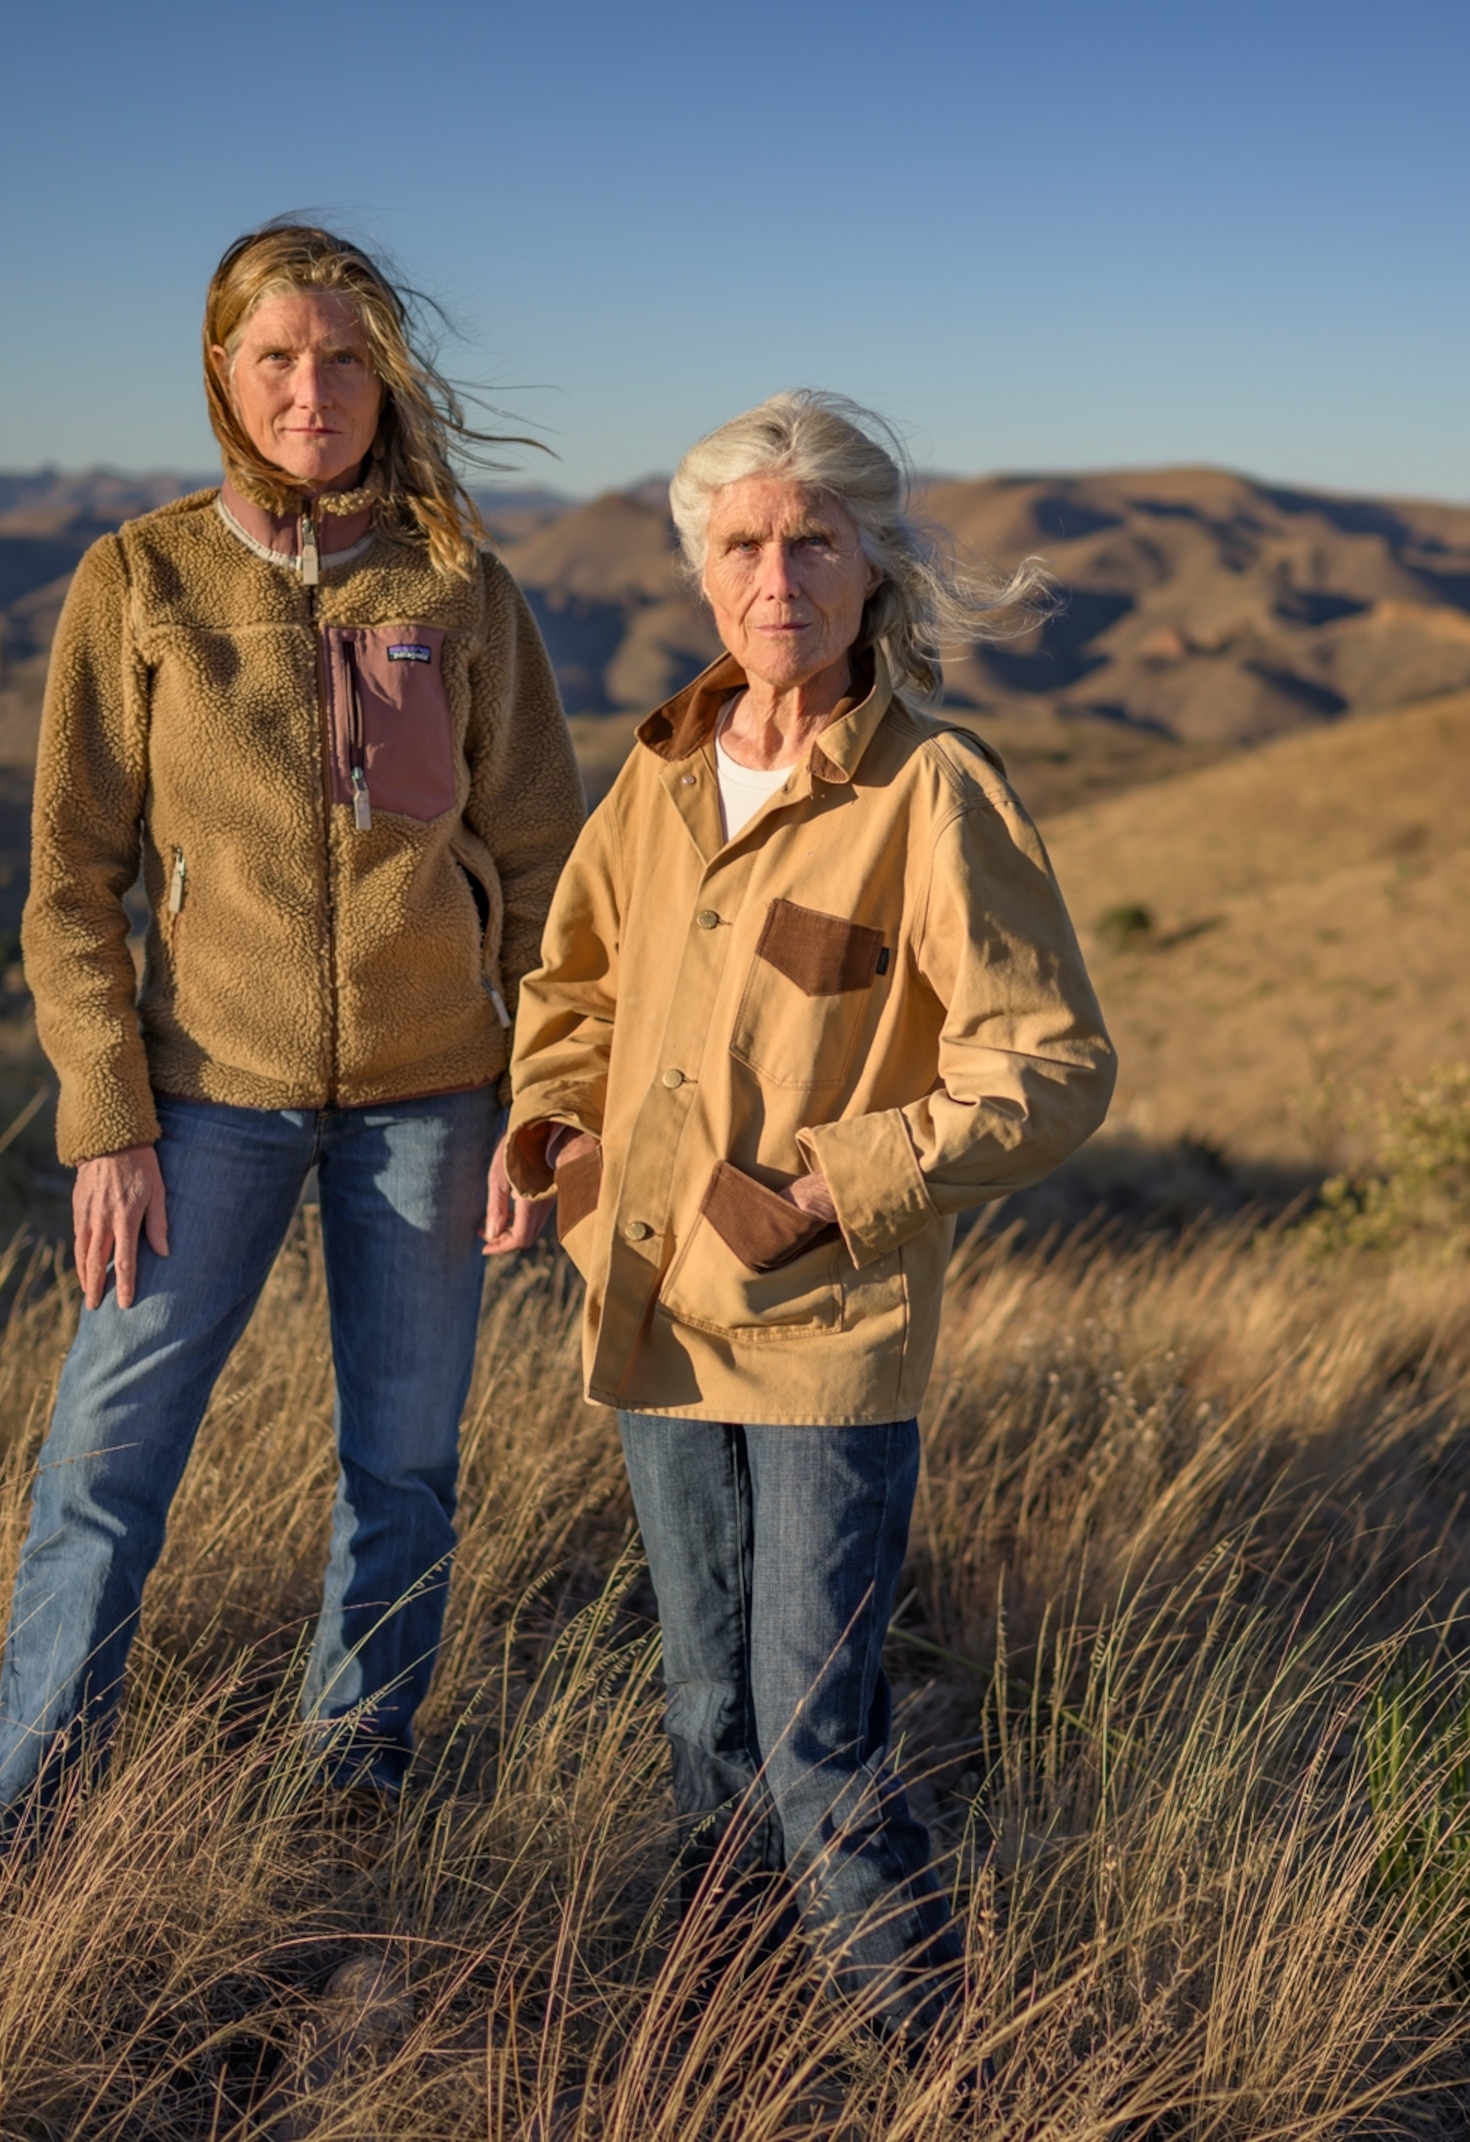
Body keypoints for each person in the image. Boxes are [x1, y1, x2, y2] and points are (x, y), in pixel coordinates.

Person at [501, 391, 1116, 2035]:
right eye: (745, 543)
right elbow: (575, 980)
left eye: (813, 540)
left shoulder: (934, 794)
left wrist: (834, 1185)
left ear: (871, 570)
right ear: (705, 572)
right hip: (649, 1305)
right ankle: (730, 2035)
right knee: (703, 1706)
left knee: (810, 1725)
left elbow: (1049, 1065)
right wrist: (550, 1130)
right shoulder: (661, 772)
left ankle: (932, 2064)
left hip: (824, 1335)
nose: (777, 575)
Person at [0, 223, 583, 1842]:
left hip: (438, 1093)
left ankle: (346, 1798)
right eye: (277, 359)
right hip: (201, 1100)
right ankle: (18, 1824)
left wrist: (546, 1096)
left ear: (383, 374)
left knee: (402, 1474)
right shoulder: (141, 579)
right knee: (105, 1463)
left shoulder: (458, 585)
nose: (312, 390)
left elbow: (546, 873)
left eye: (342, 357)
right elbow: (67, 877)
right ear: (224, 378)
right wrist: (104, 1110)